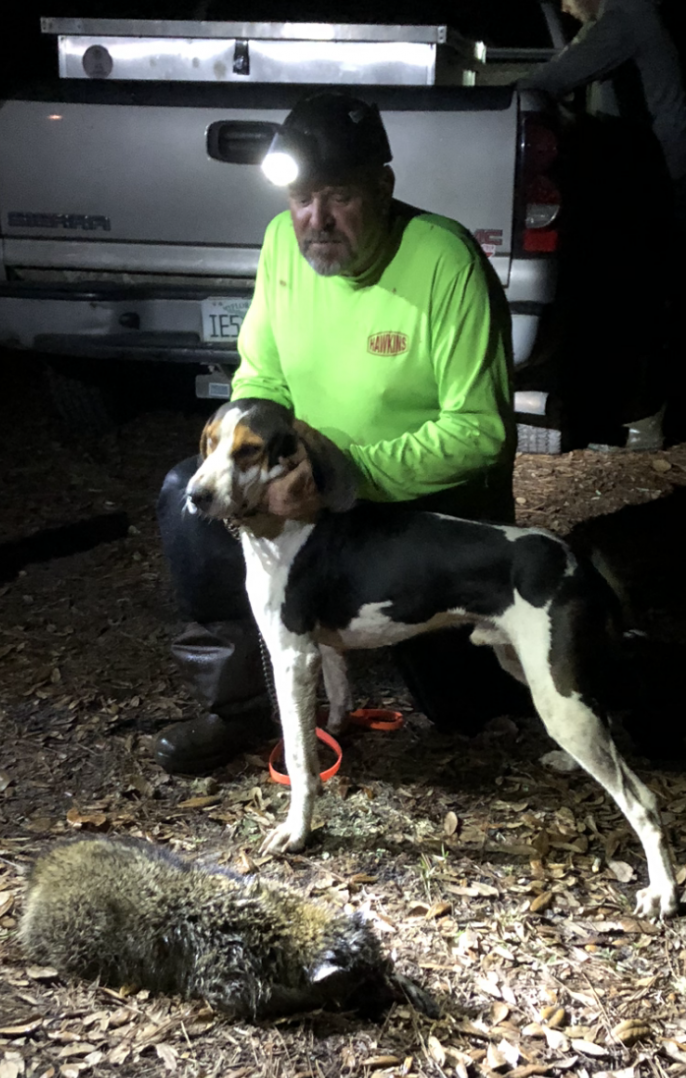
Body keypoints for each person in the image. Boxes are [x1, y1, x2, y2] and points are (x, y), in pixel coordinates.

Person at [155, 91, 520, 777]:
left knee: (465, 710)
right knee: (189, 494)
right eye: (300, 199)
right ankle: (237, 708)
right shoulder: (279, 245)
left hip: (415, 506)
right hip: (313, 494)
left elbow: (480, 434)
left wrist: (334, 475)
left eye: (338, 197)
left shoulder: (445, 260)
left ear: (382, 187)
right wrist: (257, 466)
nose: (314, 220)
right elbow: (260, 378)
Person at [518, 0, 686, 448]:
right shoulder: (636, 16)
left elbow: (549, 81)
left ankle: (647, 416)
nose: (568, 9)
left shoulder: (629, 15)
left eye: (569, 0)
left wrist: (491, 101)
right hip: (656, 179)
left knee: (645, 300)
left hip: (667, 184)